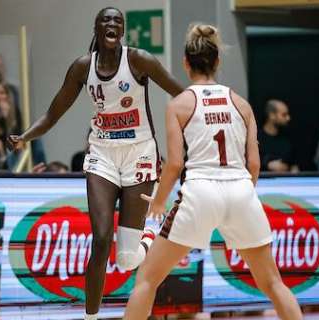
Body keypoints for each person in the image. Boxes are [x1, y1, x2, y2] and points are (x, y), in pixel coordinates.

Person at [6, 7, 183, 319]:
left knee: (127, 260)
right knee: (101, 239)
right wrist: (25, 136)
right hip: (101, 153)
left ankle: (149, 237)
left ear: (123, 30)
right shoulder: (82, 67)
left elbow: (180, 93)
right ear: (97, 28)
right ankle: (91, 317)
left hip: (139, 153)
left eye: (118, 20)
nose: (112, 23)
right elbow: (52, 114)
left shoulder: (139, 59)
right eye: (106, 19)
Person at [123, 24, 302, 320]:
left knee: (147, 280)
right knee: (273, 283)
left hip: (201, 191)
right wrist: (241, 195)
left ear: (185, 62)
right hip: (241, 190)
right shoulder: (242, 104)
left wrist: (158, 202)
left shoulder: (179, 104)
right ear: (217, 61)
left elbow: (175, 163)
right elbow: (254, 164)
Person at [258, 99, 298, 172]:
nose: (288, 118)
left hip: (286, 182)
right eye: (284, 115)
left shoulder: (288, 139)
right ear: (272, 115)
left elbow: (294, 165)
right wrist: (267, 164)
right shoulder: (256, 138)